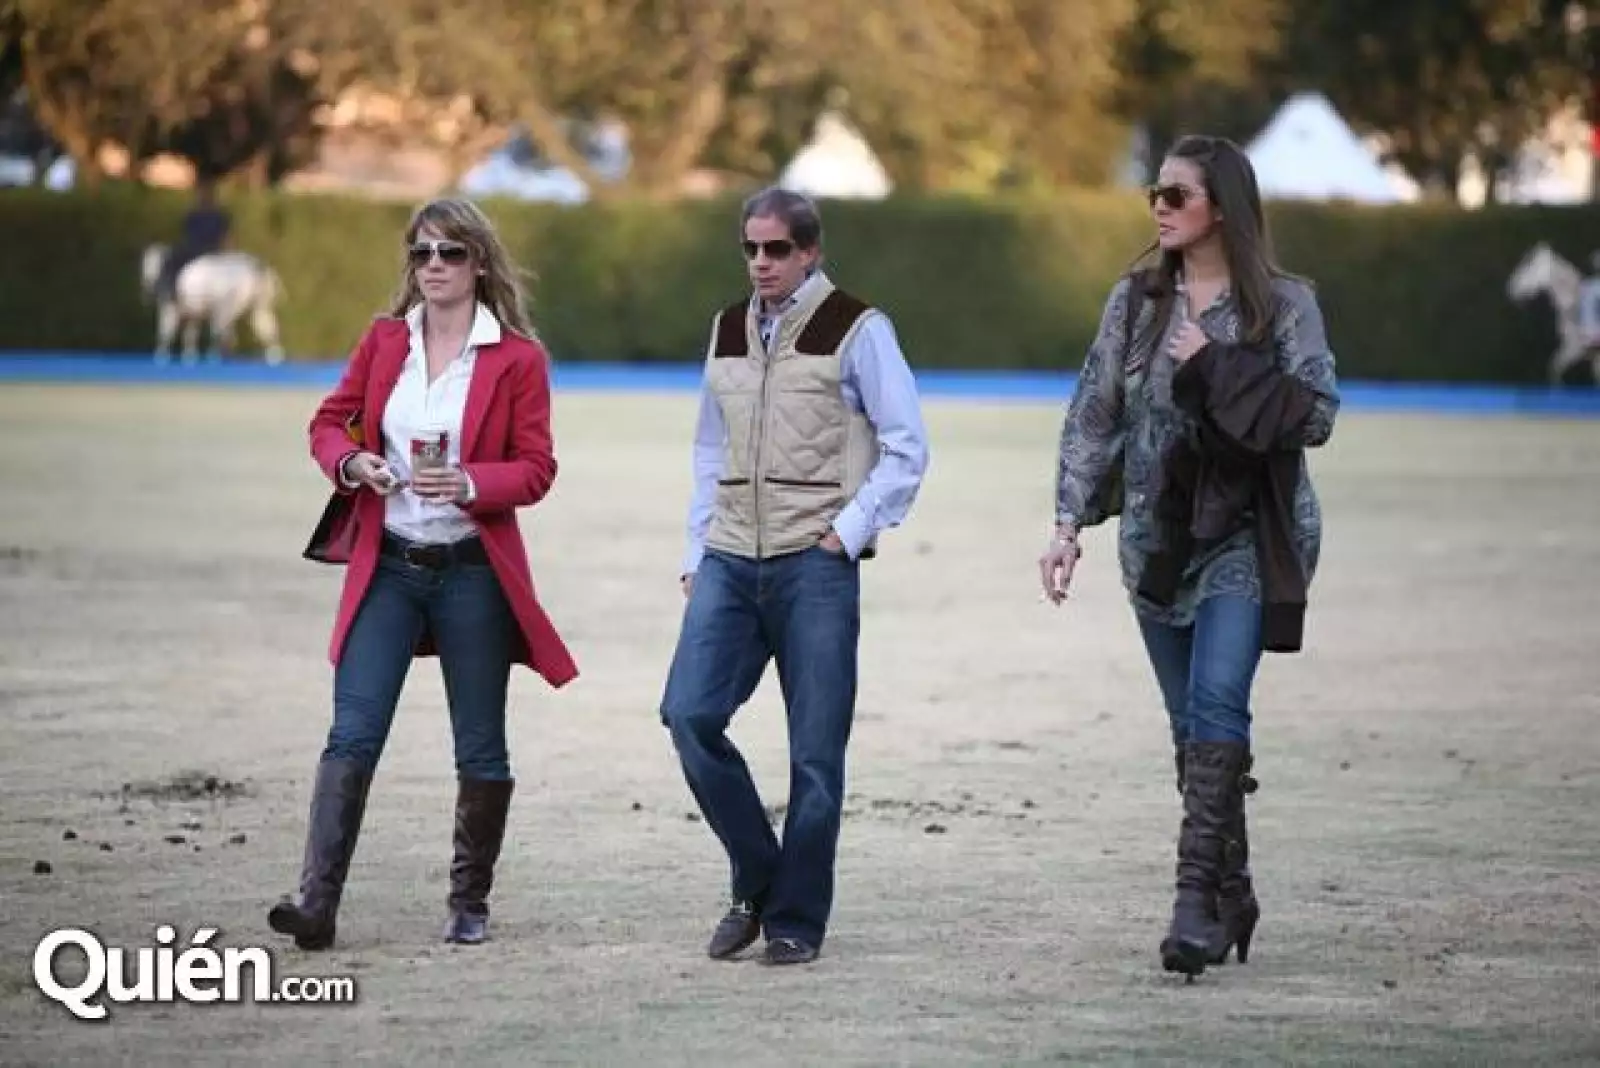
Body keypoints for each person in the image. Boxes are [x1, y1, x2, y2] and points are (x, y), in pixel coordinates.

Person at [1039, 135, 1339, 979]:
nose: (1161, 208)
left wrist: (1218, 365)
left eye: (1178, 195)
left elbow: (1316, 413)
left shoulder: (1284, 306)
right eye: (1156, 194)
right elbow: (1094, 413)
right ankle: (1233, 893)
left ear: (1223, 209)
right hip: (1156, 542)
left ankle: (1192, 907)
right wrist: (1066, 525)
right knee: (1190, 729)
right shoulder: (1135, 303)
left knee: (1216, 703)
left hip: (1245, 535)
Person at [268, 197, 579, 951]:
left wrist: (470, 482)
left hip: (472, 572)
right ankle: (316, 904)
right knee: (353, 731)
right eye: (422, 252)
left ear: (480, 263)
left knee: (480, 744)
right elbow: (328, 422)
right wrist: (352, 462)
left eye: (450, 252)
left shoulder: (517, 359)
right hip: (389, 566)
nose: (434, 265)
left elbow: (536, 468)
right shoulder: (384, 341)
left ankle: (469, 903)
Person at [659, 187, 931, 966]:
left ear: (810, 251)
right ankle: (756, 874)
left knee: (815, 754)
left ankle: (795, 921)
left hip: (815, 564)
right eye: (750, 248)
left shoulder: (859, 328)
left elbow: (907, 446)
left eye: (776, 249)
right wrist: (696, 552)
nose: (760, 262)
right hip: (728, 558)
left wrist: (848, 533)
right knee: (687, 715)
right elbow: (709, 447)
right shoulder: (727, 328)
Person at [157, 177, 231, 304]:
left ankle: (167, 289)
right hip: (213, 250)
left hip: (198, 249)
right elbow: (225, 237)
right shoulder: (220, 214)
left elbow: (186, 233)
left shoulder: (195, 214)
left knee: (171, 257)